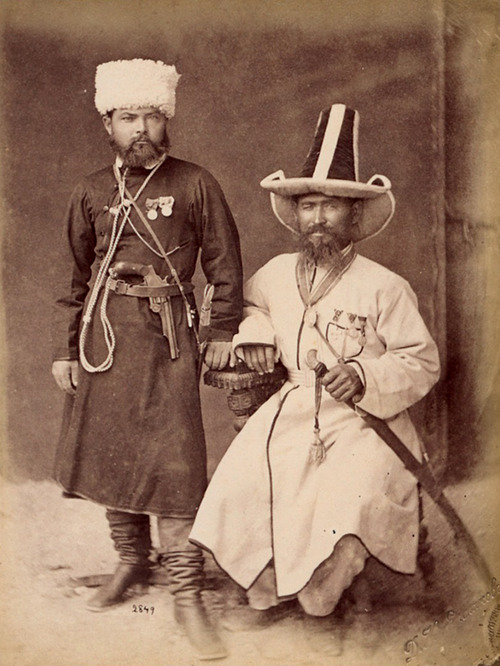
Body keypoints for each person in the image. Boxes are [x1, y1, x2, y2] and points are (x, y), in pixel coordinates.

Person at [190, 103, 440, 649]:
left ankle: (324, 597)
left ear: (354, 214)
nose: (318, 218)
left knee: (348, 497)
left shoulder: (385, 286)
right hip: (292, 408)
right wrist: (256, 332)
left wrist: (364, 373)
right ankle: (268, 590)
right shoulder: (276, 273)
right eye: (308, 206)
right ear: (296, 214)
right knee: (243, 483)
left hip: (365, 421)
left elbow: (421, 360)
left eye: (331, 206)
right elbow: (248, 309)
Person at [51, 58, 242, 660]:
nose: (140, 128)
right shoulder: (91, 189)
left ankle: (187, 592)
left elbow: (225, 264)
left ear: (167, 122)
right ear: (108, 124)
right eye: (128, 117)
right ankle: (132, 562)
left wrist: (221, 329)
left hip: (169, 340)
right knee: (113, 452)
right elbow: (73, 276)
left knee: (175, 463)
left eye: (151, 116)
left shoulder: (196, 183)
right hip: (105, 339)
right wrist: (65, 349)